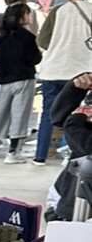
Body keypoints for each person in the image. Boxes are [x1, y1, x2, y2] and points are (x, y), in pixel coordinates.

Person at [33, 0, 92, 163]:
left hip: (53, 70)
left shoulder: (58, 11)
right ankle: (72, 156)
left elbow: (43, 41)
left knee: (49, 115)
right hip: (82, 73)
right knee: (75, 115)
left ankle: (40, 156)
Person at [0, 3, 41, 164]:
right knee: (20, 114)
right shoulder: (27, 37)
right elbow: (35, 58)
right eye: (28, 14)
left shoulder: (1, 37)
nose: (30, 17)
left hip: (5, 81)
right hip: (23, 79)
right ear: (21, 17)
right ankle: (13, 151)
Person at [48, 72, 92, 220]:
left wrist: (76, 120)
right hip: (72, 194)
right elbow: (58, 118)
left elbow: (88, 147)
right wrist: (75, 88)